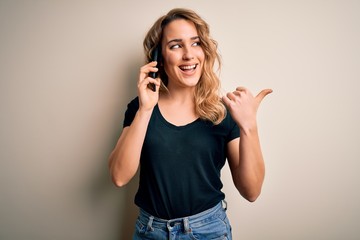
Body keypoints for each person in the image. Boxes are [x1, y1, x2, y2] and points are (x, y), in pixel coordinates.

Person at [109, 8, 272, 240]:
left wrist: (249, 127)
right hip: (150, 232)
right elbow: (119, 176)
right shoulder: (140, 108)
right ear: (159, 58)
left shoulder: (223, 112)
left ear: (205, 51)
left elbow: (252, 191)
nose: (188, 55)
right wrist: (146, 109)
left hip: (208, 231)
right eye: (176, 45)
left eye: (195, 43)